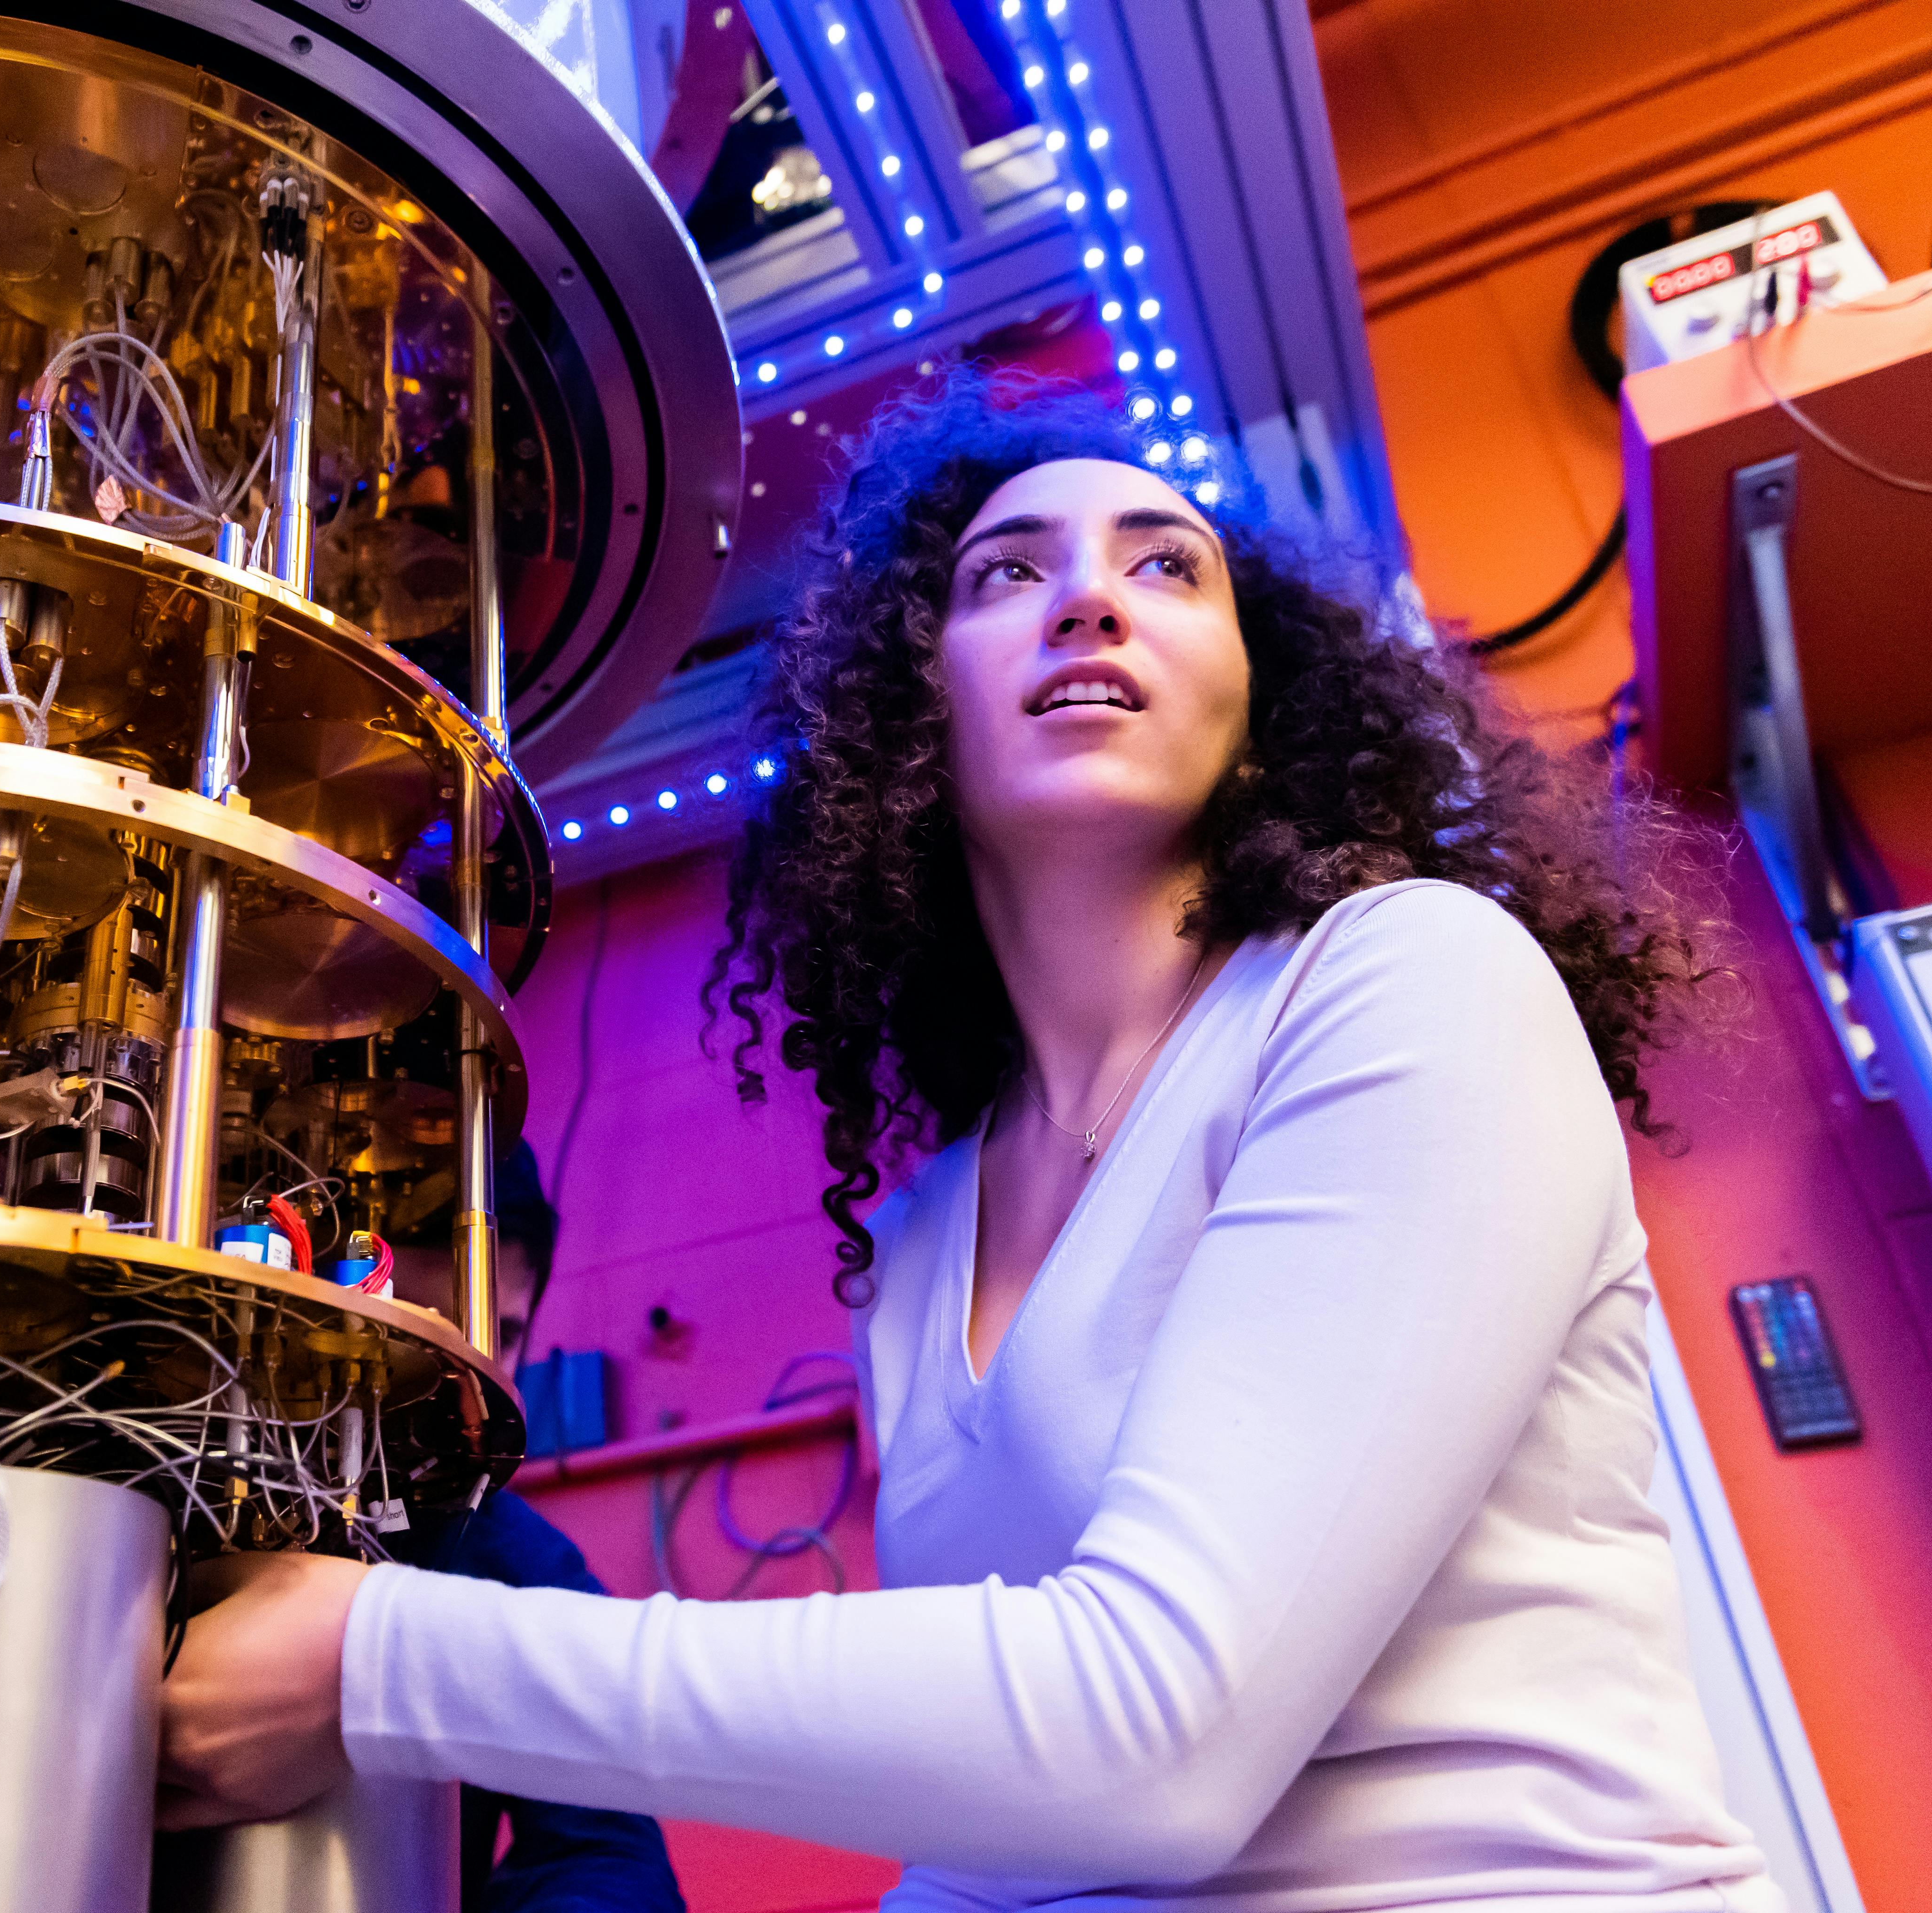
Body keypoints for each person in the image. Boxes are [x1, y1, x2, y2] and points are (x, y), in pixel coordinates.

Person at [155, 369, 1774, 1912]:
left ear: (1259, 707)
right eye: (1008, 573)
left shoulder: (1405, 981)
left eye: (1167, 567)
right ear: (904, 721)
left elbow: (1156, 1740)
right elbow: (990, 1843)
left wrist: (383, 1658)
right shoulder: (927, 1231)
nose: (1089, 597)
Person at [155, 1144, 685, 1913]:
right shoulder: (110, 1496)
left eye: (496, 1335)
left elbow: (605, 1852)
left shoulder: (507, 1553)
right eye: (411, 1335)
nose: (454, 1380)